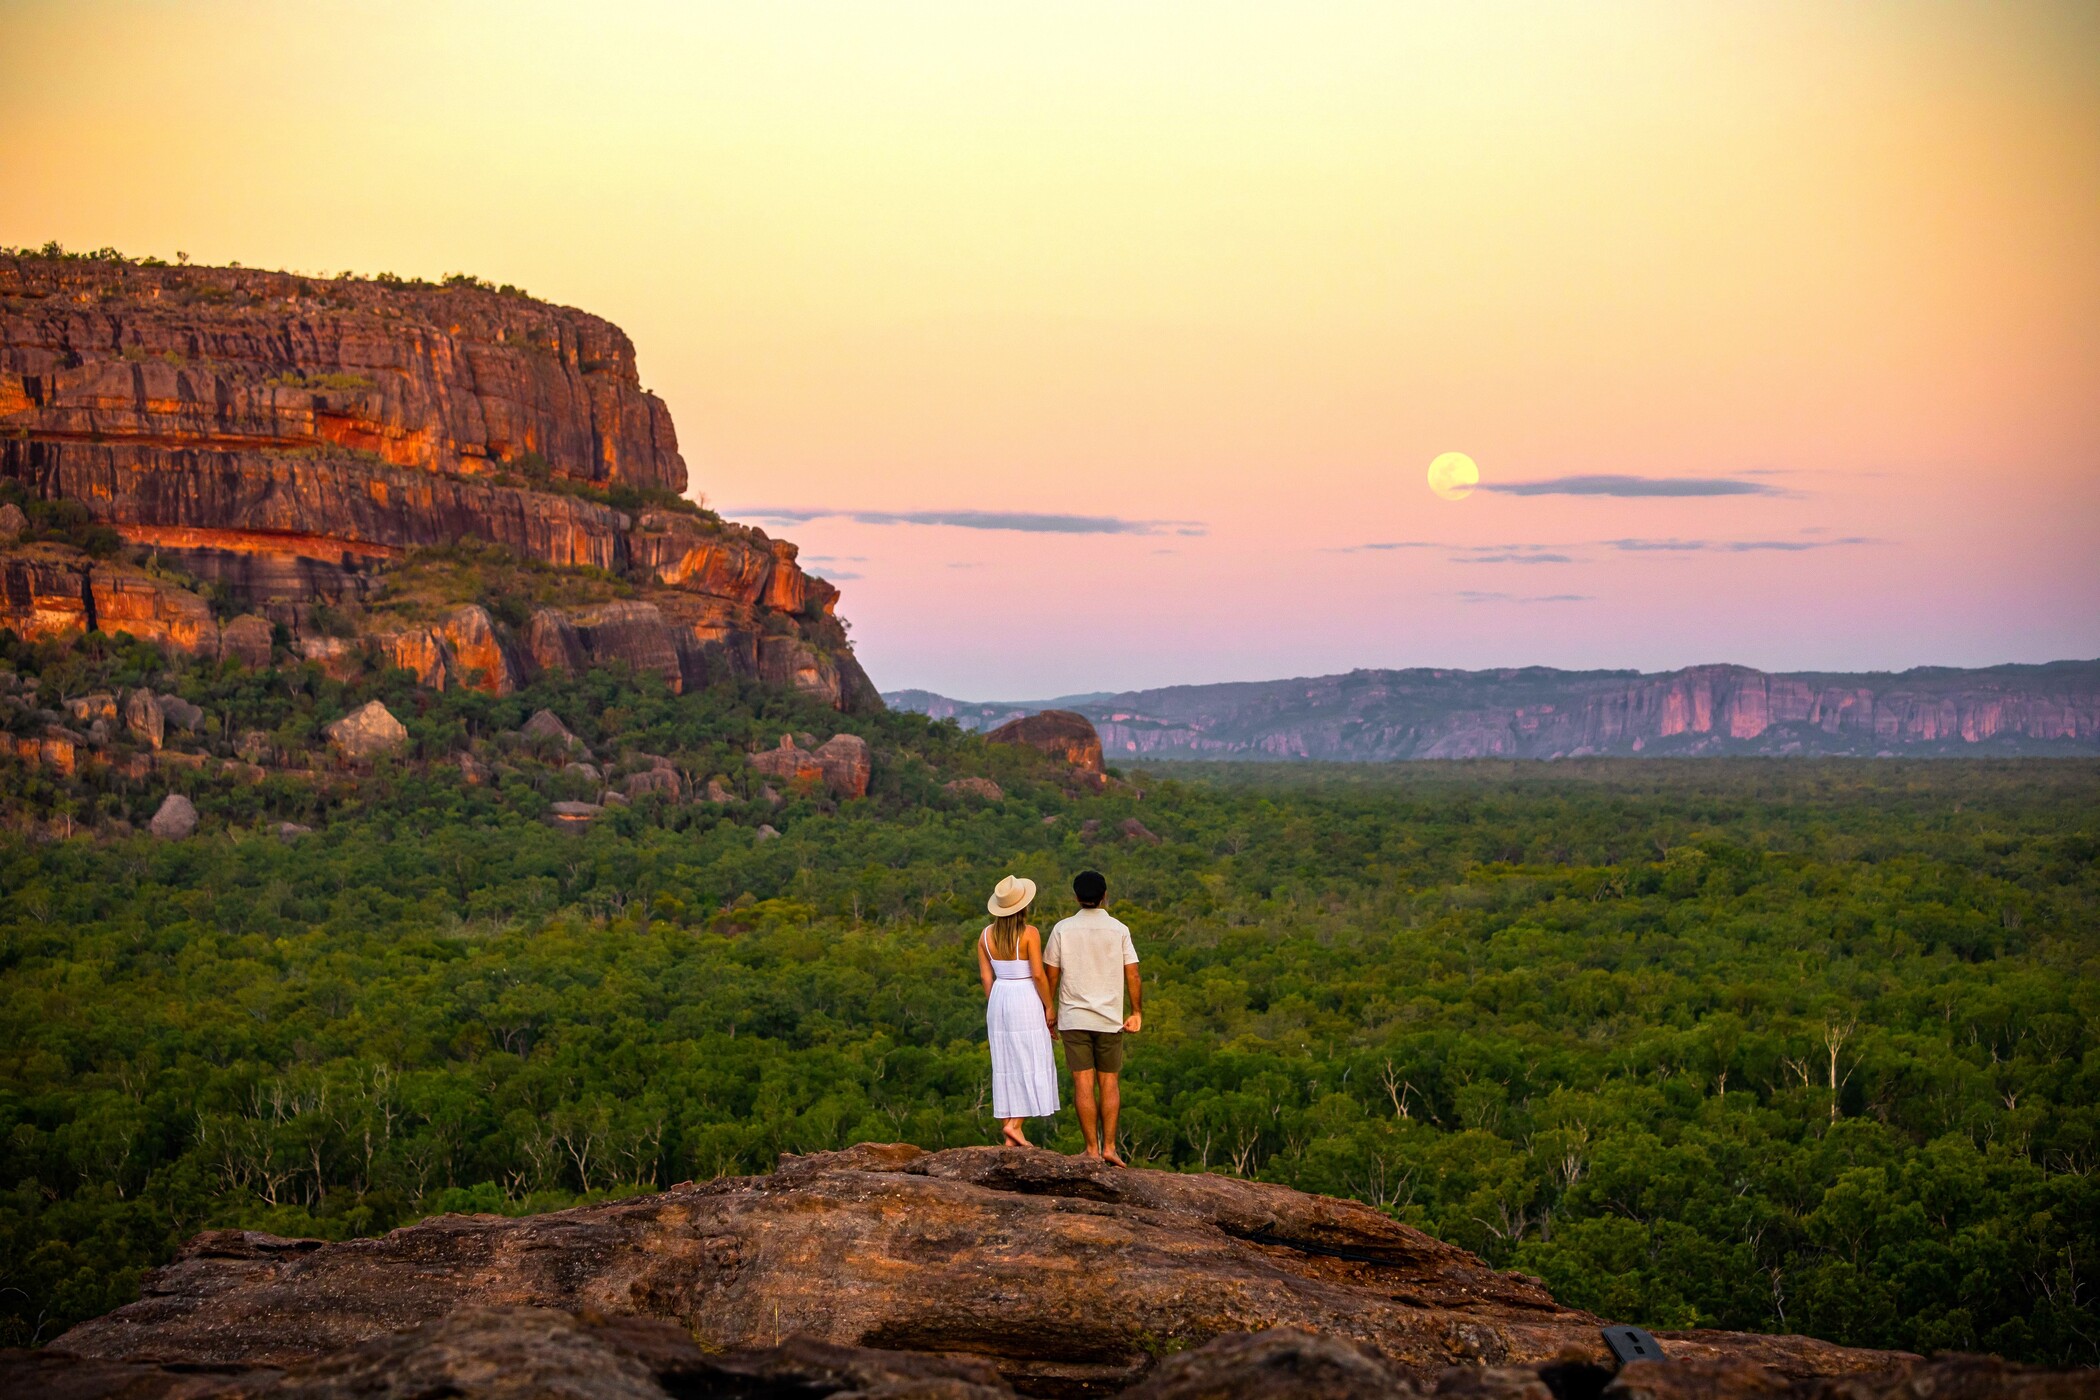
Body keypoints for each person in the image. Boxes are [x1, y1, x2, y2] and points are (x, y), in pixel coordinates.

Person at [1043, 868, 1142, 1164]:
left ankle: (1092, 1150)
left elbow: (1051, 975)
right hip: (1110, 1019)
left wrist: (1049, 1010)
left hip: (1074, 1019)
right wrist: (1136, 1011)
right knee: (1109, 1083)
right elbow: (1133, 974)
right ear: (1104, 896)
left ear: (1076, 897)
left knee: (1083, 1084)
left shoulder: (1062, 929)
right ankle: (1110, 1148)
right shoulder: (1119, 929)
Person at [976, 874, 1059, 1146]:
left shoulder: (985, 936)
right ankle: (1015, 1125)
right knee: (1030, 1057)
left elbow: (986, 978)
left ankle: (1010, 1132)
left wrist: (997, 1002)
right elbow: (1037, 974)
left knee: (1005, 1061)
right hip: (1024, 995)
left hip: (999, 996)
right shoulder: (1030, 933)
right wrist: (1049, 1006)